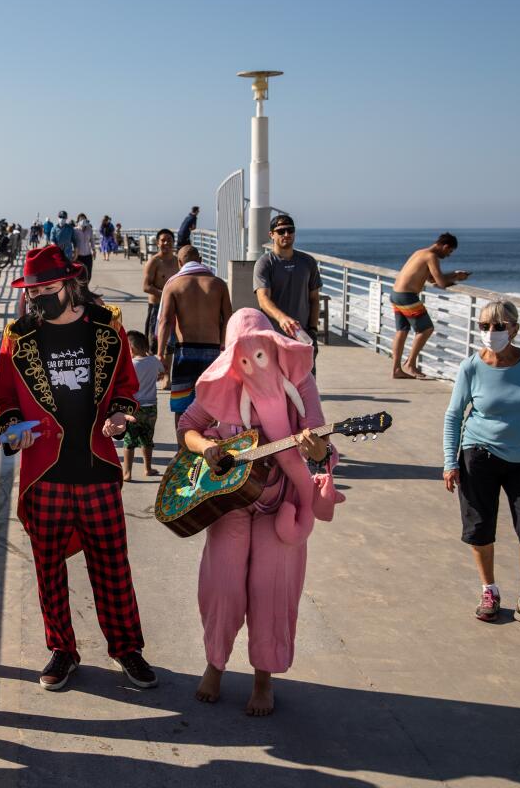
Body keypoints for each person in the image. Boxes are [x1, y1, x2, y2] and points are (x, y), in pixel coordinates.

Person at [0, 244, 158, 692]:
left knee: (113, 565)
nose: (36, 298)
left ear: (69, 283)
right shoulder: (18, 338)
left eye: (45, 288)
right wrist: (11, 429)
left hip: (98, 466)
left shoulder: (107, 329)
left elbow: (126, 385)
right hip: (45, 471)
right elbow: (3, 399)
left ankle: (127, 649)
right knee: (48, 567)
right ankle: (62, 649)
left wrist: (122, 416)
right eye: (31, 290)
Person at [178, 309, 342, 716]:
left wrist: (314, 447)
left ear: (274, 345)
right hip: (229, 500)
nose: (252, 362)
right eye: (243, 356)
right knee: (223, 585)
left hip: (283, 500)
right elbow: (188, 426)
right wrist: (206, 449)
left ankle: (263, 679)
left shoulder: (301, 384)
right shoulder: (221, 386)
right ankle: (215, 664)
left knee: (273, 590)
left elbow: (321, 443)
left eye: (259, 353)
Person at [442, 300, 520, 632]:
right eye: (484, 326)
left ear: (515, 329)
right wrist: (449, 462)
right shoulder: (470, 367)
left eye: (498, 326)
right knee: (480, 528)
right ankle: (489, 592)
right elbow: (454, 416)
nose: (491, 333)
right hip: (478, 455)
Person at [157, 245, 231, 428]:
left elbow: (165, 321)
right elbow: (229, 319)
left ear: (180, 263)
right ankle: (209, 450)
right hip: (213, 352)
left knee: (182, 406)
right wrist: (224, 345)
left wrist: (160, 353)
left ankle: (182, 450)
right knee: (212, 405)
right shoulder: (218, 284)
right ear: (200, 261)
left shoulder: (174, 285)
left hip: (185, 352)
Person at [391, 232, 469, 379]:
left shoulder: (420, 252)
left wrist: (454, 275)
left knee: (401, 331)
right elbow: (441, 283)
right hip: (407, 296)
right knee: (426, 329)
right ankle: (410, 364)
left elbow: (432, 279)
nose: (449, 255)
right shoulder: (431, 256)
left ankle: (396, 369)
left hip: (396, 294)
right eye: (449, 251)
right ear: (445, 246)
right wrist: (456, 277)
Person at [254, 214, 322, 367]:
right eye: (281, 231)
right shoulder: (265, 263)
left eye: (290, 230)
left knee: (305, 386)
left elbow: (314, 299)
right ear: (271, 235)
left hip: (303, 336)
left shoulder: (308, 262)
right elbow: (263, 300)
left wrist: (313, 330)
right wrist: (283, 318)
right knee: (276, 387)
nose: (287, 234)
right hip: (274, 337)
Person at [122, 331, 163, 481]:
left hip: (133, 408)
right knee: (147, 439)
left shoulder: (129, 365)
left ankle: (127, 473)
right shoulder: (154, 361)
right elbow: (162, 372)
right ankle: (148, 468)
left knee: (129, 440)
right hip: (151, 407)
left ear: (131, 349)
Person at [141, 229, 179, 346]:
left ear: (174, 242)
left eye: (169, 240)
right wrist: (165, 295)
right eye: (163, 240)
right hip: (157, 308)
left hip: (174, 308)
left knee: (172, 345)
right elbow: (146, 287)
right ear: (157, 243)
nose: (166, 243)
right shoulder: (154, 262)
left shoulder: (178, 261)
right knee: (154, 344)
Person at [74, 213, 96, 280]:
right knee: (79, 274)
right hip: (78, 256)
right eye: (81, 219)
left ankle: (86, 287)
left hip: (88, 255)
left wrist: (94, 250)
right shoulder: (75, 230)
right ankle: (81, 289)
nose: (82, 220)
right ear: (78, 221)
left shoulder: (89, 229)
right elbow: (72, 242)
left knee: (88, 274)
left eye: (84, 219)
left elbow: (92, 240)